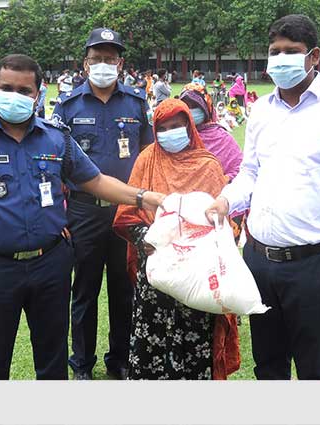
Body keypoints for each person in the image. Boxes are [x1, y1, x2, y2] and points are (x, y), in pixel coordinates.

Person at [0, 54, 164, 381]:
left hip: (50, 264)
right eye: (6, 87)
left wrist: (143, 197)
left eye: (25, 90)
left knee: (52, 362)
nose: (15, 96)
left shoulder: (56, 137)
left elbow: (93, 181)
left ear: (39, 93)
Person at [206, 15, 320, 380]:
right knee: (268, 365)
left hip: (310, 265)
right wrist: (226, 200)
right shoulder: (261, 110)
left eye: (292, 51)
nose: (281, 59)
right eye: (275, 51)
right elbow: (251, 172)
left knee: (314, 367)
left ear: (314, 56)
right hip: (259, 259)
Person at [51, 28, 155, 381]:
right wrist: (57, 214)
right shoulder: (67, 106)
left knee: (125, 291)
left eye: (110, 59)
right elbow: (53, 164)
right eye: (97, 59)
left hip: (126, 211)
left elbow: (149, 156)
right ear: (85, 63)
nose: (103, 65)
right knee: (84, 291)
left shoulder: (137, 103)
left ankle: (120, 360)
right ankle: (82, 362)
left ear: (121, 63)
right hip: (83, 210)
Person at [112, 99, 240, 380]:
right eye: (163, 128)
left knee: (196, 345)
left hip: (199, 276)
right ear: (155, 131)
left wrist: (194, 240)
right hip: (157, 274)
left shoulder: (207, 165)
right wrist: (149, 237)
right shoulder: (147, 160)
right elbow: (128, 214)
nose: (171, 133)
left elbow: (222, 222)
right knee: (152, 349)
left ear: (190, 127)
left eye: (177, 126)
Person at [179, 83, 243, 180]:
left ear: (206, 107)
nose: (191, 110)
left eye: (195, 105)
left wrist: (221, 181)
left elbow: (239, 169)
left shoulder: (222, 138)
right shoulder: (177, 136)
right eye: (187, 106)